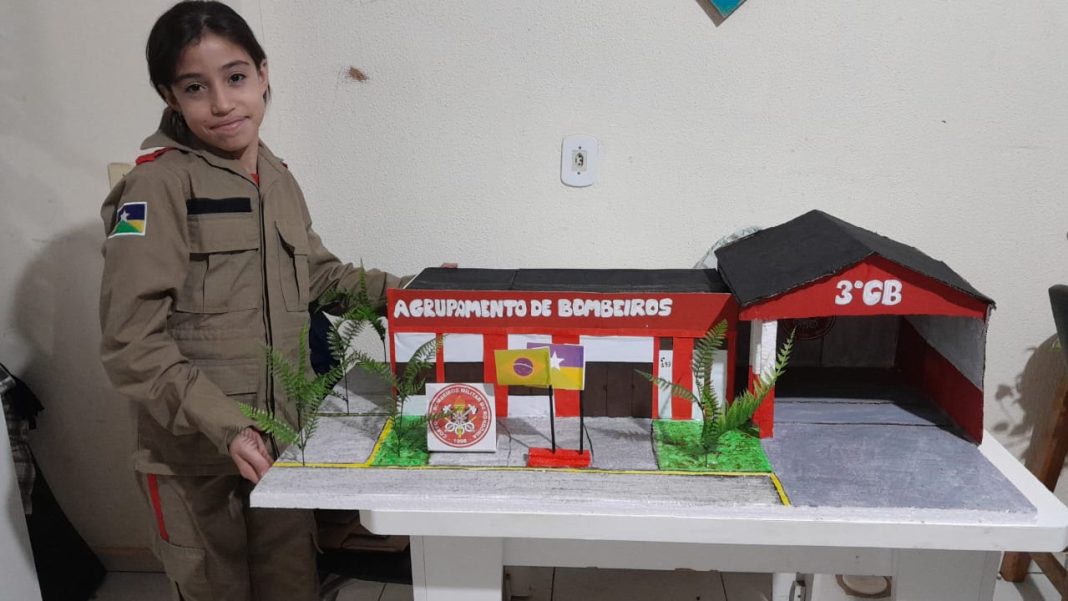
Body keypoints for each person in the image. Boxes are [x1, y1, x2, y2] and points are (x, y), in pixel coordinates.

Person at [98, 2, 404, 599]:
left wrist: (416, 294)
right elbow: (131, 343)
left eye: (235, 77)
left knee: (291, 585)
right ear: (169, 95)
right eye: (195, 87)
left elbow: (318, 278)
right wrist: (229, 426)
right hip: (195, 460)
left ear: (263, 74)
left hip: (279, 443)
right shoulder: (157, 185)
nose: (222, 103)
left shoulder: (276, 175)